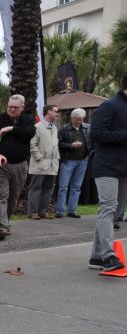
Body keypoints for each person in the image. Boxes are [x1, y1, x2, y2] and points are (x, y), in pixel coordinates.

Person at [87, 70, 127, 272]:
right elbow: (97, 134)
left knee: (115, 213)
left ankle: (96, 256)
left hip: (123, 168)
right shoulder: (110, 105)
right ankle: (109, 256)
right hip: (106, 166)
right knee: (108, 209)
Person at [0, 94, 36, 240]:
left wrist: (12, 129)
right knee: (0, 196)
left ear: (22, 107)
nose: (12, 109)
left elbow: (29, 134)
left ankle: (4, 222)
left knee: (13, 198)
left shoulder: (27, 120)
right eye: (10, 107)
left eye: (15, 107)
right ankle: (1, 227)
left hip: (20, 165)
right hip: (1, 165)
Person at [55, 107, 91, 218]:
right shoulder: (64, 129)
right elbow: (58, 144)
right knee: (63, 187)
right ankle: (60, 211)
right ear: (72, 118)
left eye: (80, 119)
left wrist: (88, 155)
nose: (78, 121)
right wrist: (71, 146)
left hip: (83, 161)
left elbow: (92, 143)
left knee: (76, 187)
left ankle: (72, 211)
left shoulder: (88, 128)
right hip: (68, 161)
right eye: (76, 119)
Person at [27, 104, 60, 220]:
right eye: (55, 111)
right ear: (48, 112)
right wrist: (40, 158)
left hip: (52, 165)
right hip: (39, 164)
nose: (57, 113)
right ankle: (33, 212)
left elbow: (55, 145)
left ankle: (43, 212)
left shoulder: (55, 128)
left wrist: (56, 158)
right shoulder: (37, 127)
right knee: (36, 188)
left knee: (48, 188)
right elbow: (32, 145)